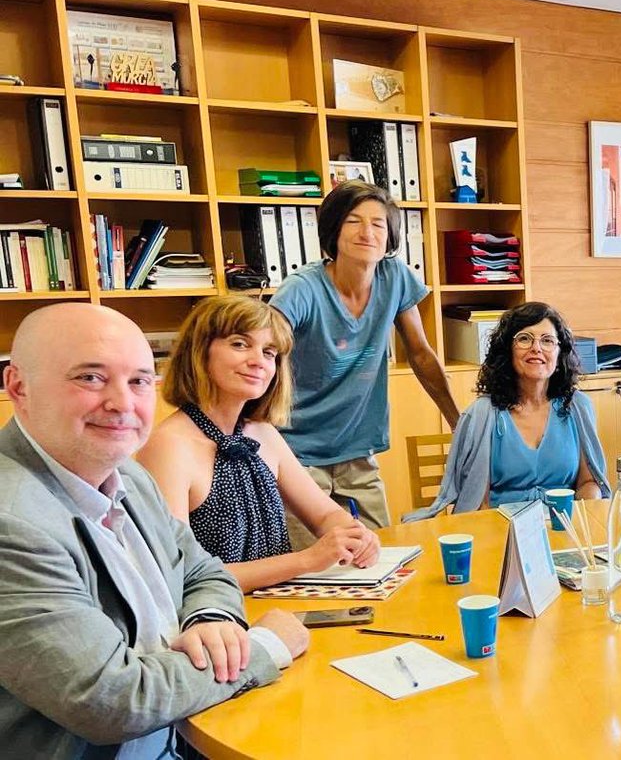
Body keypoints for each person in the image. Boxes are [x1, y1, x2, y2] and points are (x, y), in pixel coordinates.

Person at [0, 303, 308, 758]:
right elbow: (113, 700)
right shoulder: (12, 524)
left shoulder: (129, 475)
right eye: (90, 377)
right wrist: (263, 646)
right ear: (19, 387)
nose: (122, 404)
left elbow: (204, 572)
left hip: (182, 729)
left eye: (140, 381)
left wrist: (212, 620)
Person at [138, 295, 382, 593]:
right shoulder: (168, 446)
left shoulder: (262, 433)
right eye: (240, 344)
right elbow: (183, 574)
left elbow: (324, 515)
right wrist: (306, 560)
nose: (258, 362)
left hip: (280, 610)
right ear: (199, 352)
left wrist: (355, 536)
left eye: (269, 352)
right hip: (214, 622)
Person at [270, 180, 459, 541]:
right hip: (298, 451)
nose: (367, 232)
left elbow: (420, 353)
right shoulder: (302, 288)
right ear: (333, 230)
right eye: (354, 221)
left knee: (381, 554)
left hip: (358, 449)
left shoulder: (395, 278)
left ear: (390, 236)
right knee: (317, 567)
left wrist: (456, 421)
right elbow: (265, 347)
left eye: (378, 223)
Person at [406, 302, 607, 519]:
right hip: (502, 532)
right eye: (524, 338)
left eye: (547, 340)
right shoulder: (482, 414)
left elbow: (589, 482)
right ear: (507, 352)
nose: (537, 348)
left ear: (559, 355)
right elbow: (477, 502)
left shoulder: (578, 407)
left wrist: (584, 517)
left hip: (564, 529)